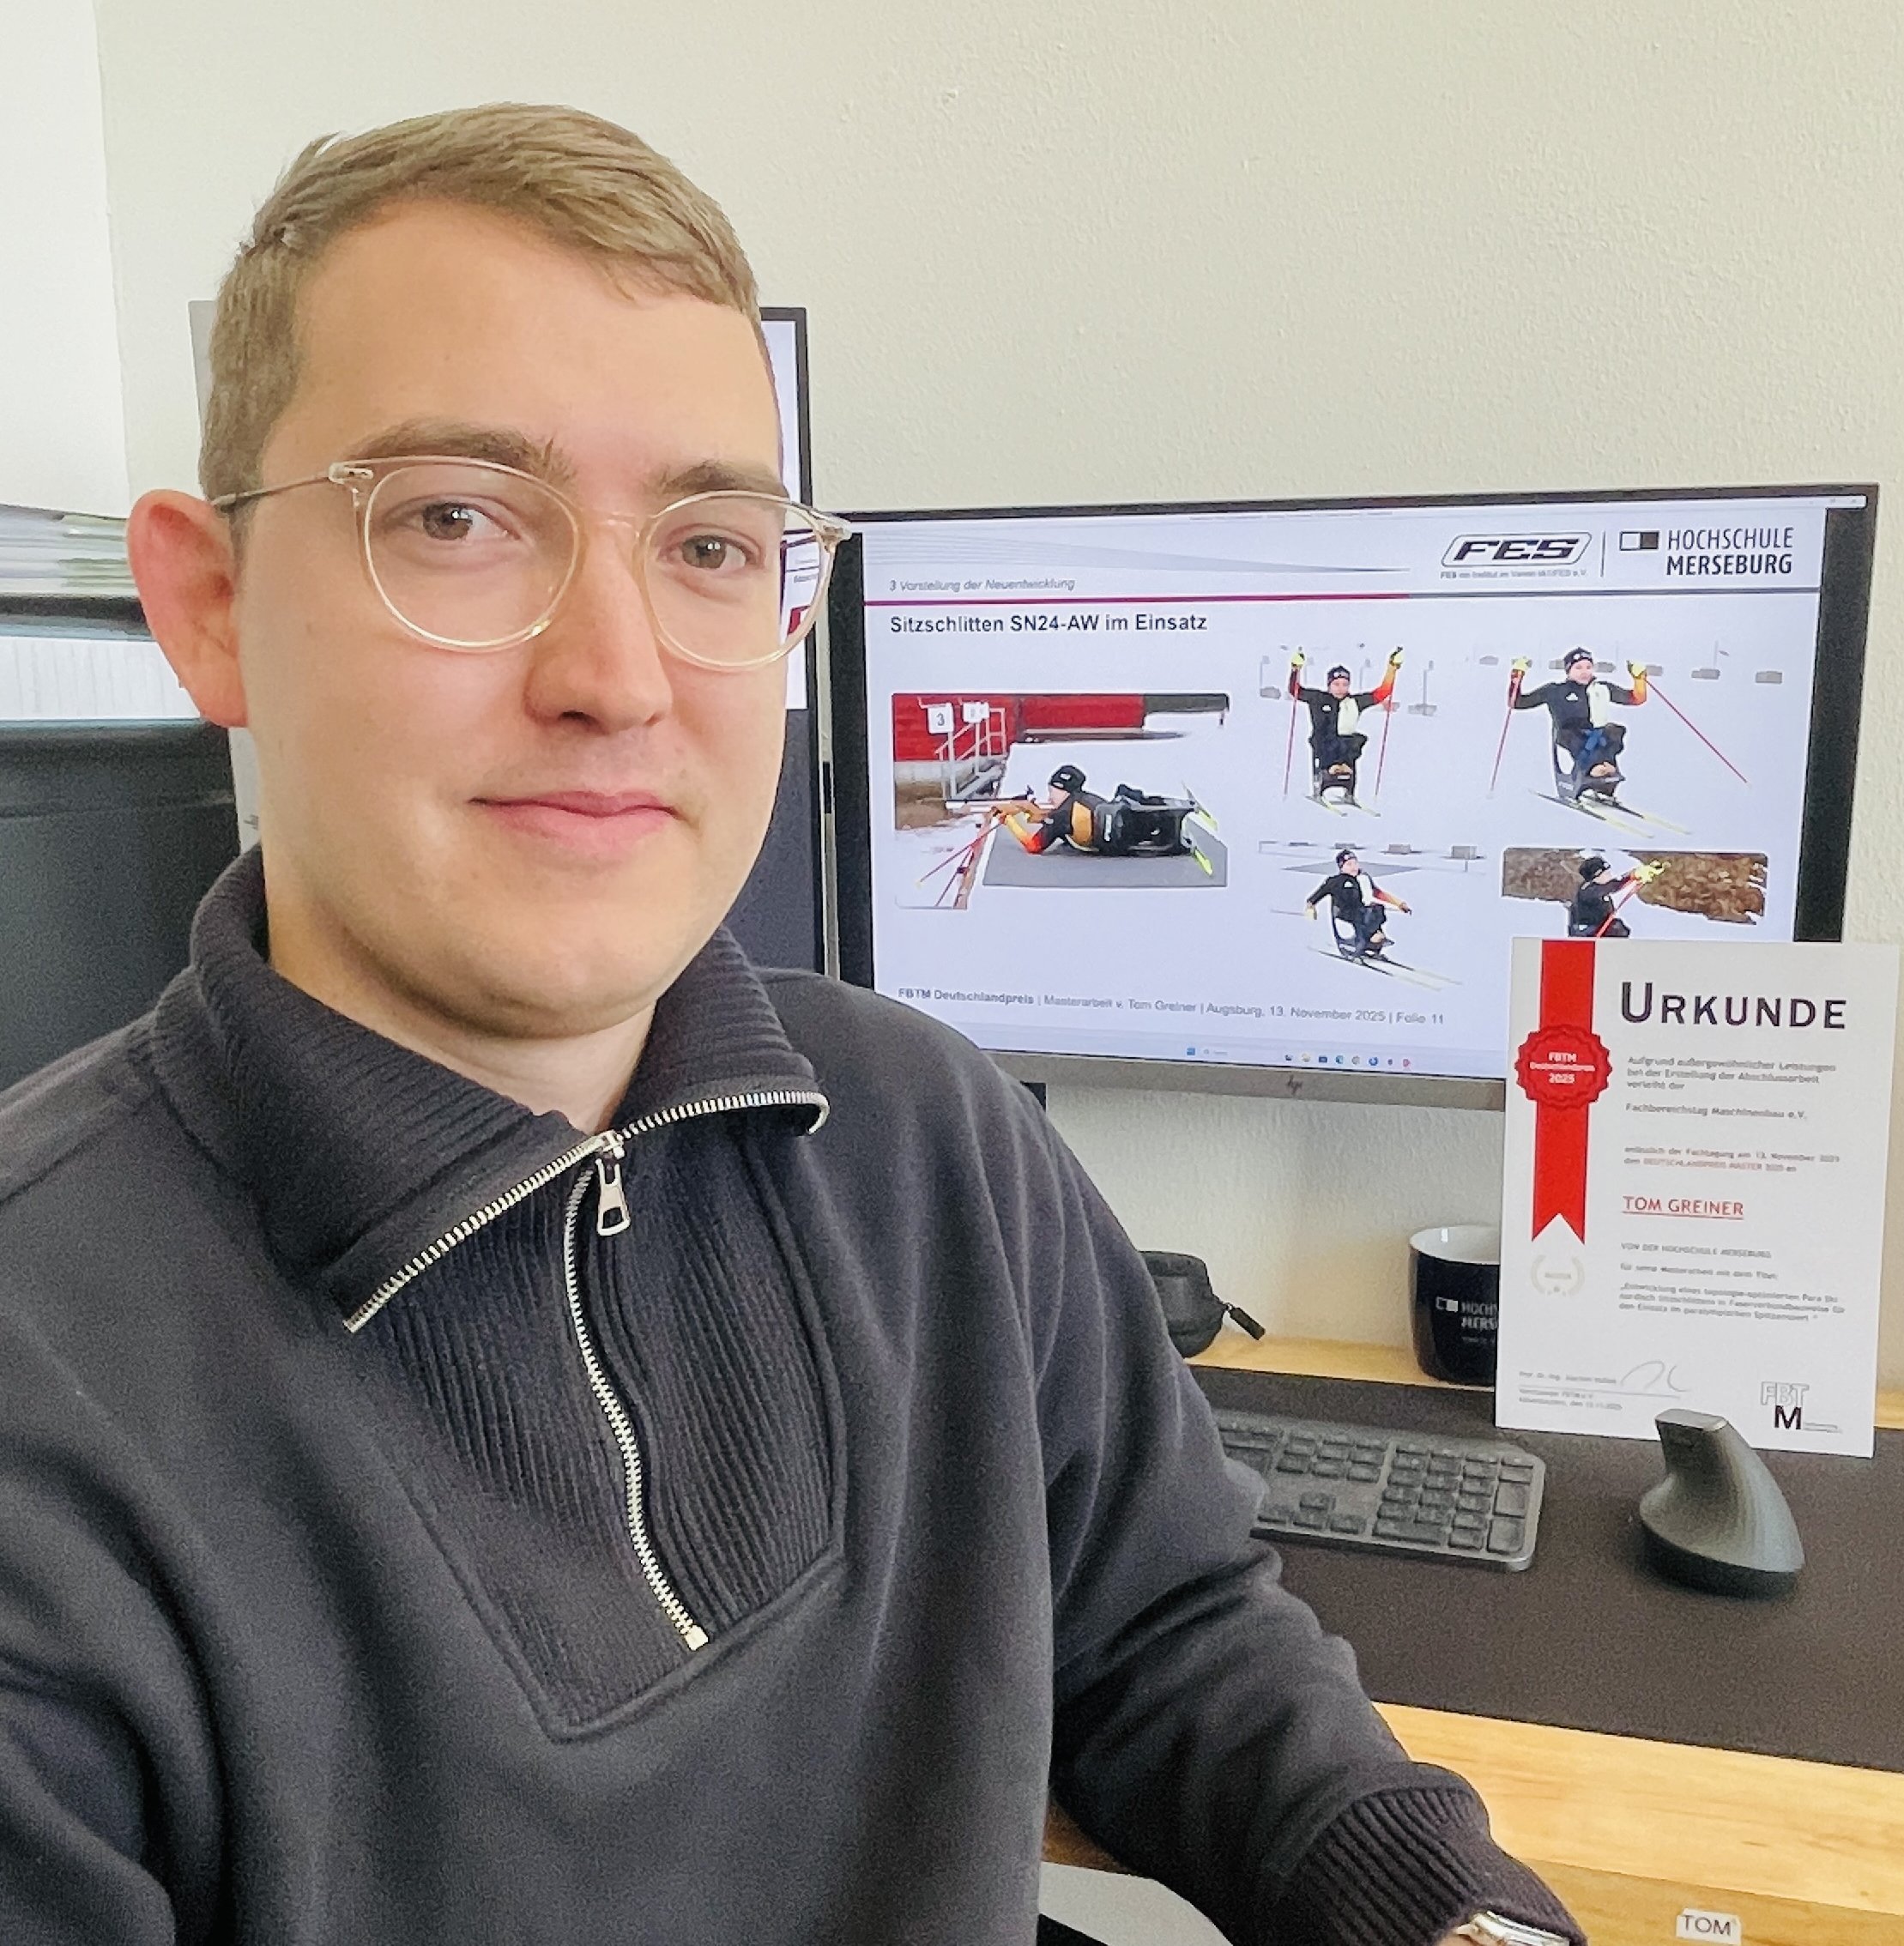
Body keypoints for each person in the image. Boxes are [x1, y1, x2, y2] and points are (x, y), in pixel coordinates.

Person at [0, 106, 1579, 1946]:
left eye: (715, 544)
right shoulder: (48, 1418)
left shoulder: (928, 1133)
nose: (616, 675)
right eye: (458, 518)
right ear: (209, 609)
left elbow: (1164, 1627)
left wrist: (1439, 1909)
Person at [1509, 647, 1647, 789]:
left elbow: (1636, 698)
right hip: (1569, 732)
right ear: (1569, 671)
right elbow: (1517, 702)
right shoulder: (1555, 691)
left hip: (1595, 731)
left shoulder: (1601, 689)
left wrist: (1639, 678)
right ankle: (1592, 771)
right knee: (1578, 738)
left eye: (1588, 667)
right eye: (1578, 668)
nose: (1584, 672)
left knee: (1613, 732)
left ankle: (1606, 769)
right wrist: (1516, 678)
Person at [1000, 763, 1192, 857]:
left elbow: (1033, 846)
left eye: (1052, 791)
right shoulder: (1083, 798)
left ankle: (1169, 827)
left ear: (1063, 790)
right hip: (1128, 823)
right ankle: (1166, 812)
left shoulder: (1061, 817)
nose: (1049, 797)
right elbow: (1049, 819)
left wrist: (1008, 821)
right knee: (1125, 793)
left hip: (1122, 838)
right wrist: (1026, 810)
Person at [1289, 647, 1402, 790]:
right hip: (1323, 742)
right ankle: (1331, 768)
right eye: (1336, 684)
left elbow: (1382, 693)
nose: (1340, 688)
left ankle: (1344, 770)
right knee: (1330, 741)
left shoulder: (1354, 702)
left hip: (1345, 742)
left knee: (1354, 740)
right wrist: (1295, 669)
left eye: (1345, 684)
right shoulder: (1318, 698)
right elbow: (1295, 690)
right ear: (1329, 685)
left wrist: (1392, 668)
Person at [1306, 847, 1411, 957]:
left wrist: (1399, 903)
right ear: (1341, 867)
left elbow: (1378, 893)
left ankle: (1374, 942)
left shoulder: (1363, 878)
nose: (1353, 867)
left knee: (1376, 910)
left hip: (1364, 913)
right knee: (1365, 916)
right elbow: (1320, 893)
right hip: (1345, 914)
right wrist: (1311, 905)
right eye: (1349, 864)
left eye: (1355, 863)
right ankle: (1362, 944)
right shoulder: (1335, 881)